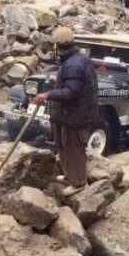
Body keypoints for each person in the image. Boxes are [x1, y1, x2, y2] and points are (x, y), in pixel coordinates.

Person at [32, 27, 99, 197]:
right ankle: (71, 176)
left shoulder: (74, 65)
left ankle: (79, 183)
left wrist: (47, 95)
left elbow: (71, 92)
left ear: (57, 45)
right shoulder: (76, 60)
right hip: (70, 115)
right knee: (65, 148)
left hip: (75, 116)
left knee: (74, 150)